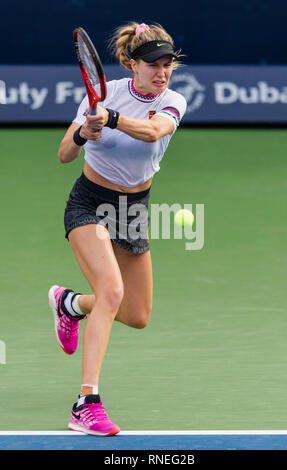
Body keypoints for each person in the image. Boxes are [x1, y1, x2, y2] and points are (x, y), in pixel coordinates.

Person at [48, 21, 187, 436]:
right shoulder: (105, 95)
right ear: (132, 64)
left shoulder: (172, 101)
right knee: (112, 291)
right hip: (89, 202)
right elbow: (63, 154)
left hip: (133, 210)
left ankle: (70, 305)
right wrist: (83, 131)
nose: (161, 72)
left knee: (137, 314)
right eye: (152, 65)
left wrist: (109, 120)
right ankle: (85, 404)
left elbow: (152, 132)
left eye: (167, 64)